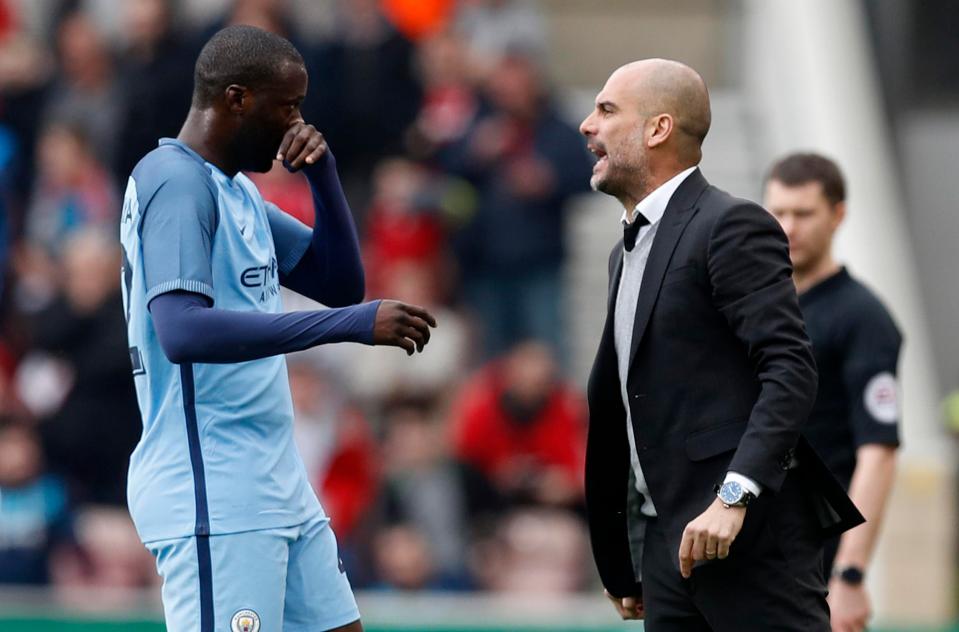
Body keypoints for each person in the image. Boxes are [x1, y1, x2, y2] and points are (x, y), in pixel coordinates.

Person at [119, 25, 436, 632]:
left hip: (273, 477)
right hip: (213, 486)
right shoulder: (177, 181)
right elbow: (182, 332)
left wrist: (323, 174)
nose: (296, 122)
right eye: (286, 105)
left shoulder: (232, 190)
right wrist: (345, 327)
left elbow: (340, 283)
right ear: (237, 99)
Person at [579, 59, 863, 630]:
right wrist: (622, 559)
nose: (588, 125)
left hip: (749, 539)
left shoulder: (731, 224)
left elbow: (789, 369)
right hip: (668, 553)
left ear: (658, 129)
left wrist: (733, 498)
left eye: (607, 110)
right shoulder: (623, 252)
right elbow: (622, 404)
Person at [764, 153, 902, 632]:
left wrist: (849, 573)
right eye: (778, 212)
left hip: (815, 553)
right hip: (752, 540)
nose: (788, 227)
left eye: (803, 213)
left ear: (837, 215)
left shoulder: (863, 318)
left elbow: (879, 453)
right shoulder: (756, 306)